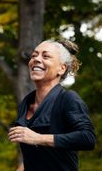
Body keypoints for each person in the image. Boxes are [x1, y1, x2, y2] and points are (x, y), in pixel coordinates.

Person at [8, 39, 96, 171]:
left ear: (61, 68)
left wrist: (38, 138)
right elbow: (34, 157)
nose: (36, 59)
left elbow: (88, 138)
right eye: (34, 55)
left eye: (46, 56)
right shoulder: (25, 104)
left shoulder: (68, 99)